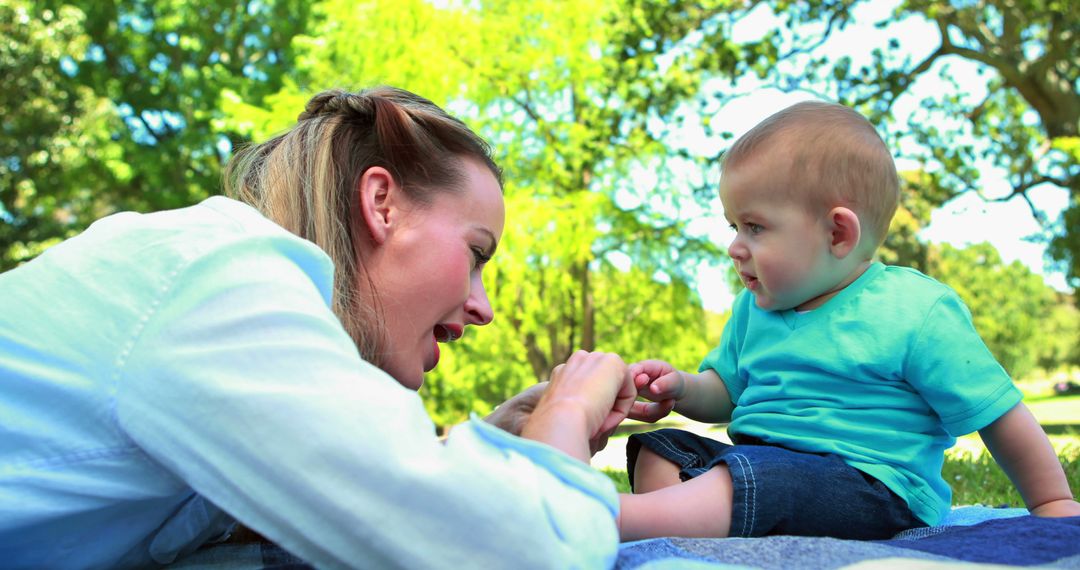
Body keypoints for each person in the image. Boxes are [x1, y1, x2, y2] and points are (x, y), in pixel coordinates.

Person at [0, 86, 636, 568]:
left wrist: (502, 440)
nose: (483, 307)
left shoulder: (210, 294)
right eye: (475, 255)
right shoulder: (218, 282)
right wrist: (569, 414)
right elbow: (523, 553)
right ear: (381, 204)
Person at [617, 100, 1080, 542]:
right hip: (761, 467)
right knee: (663, 450)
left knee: (756, 479)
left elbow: (996, 412)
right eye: (733, 226)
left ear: (837, 233)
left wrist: (1051, 501)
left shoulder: (913, 309)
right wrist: (681, 388)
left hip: (873, 486)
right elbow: (726, 392)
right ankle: (678, 527)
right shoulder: (752, 310)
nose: (735, 246)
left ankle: (614, 517)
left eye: (754, 227)